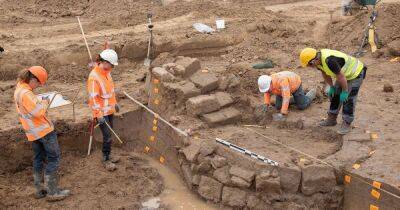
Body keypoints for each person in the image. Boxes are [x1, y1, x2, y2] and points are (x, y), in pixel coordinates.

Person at [14, 66, 70, 201]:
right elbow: (38, 111)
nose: (38, 86)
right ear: (32, 79)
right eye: (38, 83)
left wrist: (38, 101)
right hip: (43, 131)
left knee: (39, 159)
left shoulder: (20, 89)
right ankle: (52, 192)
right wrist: (45, 101)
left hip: (33, 133)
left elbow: (30, 108)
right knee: (54, 159)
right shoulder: (26, 94)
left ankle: (40, 190)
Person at [300, 47, 366, 134]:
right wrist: (331, 87)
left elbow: (341, 76)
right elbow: (325, 73)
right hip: (343, 74)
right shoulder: (318, 61)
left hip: (356, 73)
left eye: (310, 65)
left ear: (314, 59)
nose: (310, 67)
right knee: (336, 94)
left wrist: (345, 91)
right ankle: (332, 119)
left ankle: (347, 122)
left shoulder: (329, 60)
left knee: (348, 98)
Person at [87, 49, 120, 171]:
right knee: (107, 136)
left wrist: (115, 103)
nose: (112, 67)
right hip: (101, 112)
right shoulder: (94, 77)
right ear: (105, 62)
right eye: (111, 64)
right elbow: (94, 98)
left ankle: (109, 154)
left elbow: (110, 91)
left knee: (110, 133)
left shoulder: (107, 72)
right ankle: (106, 159)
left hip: (109, 110)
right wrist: (98, 114)